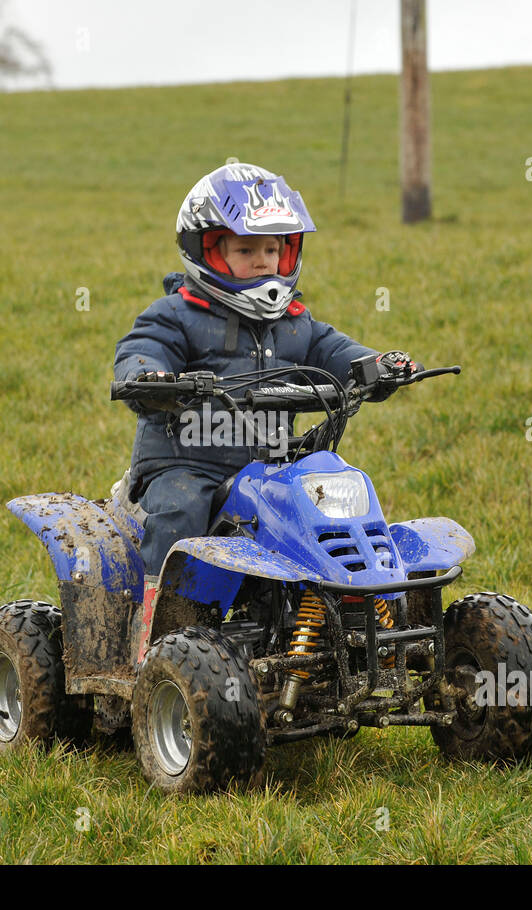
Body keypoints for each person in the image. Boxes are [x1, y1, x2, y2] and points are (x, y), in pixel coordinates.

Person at [114, 159, 420, 647]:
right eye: (246, 249)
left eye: (272, 249)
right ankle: (154, 632)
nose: (262, 261)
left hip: (269, 466)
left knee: (333, 496)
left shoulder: (296, 323)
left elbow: (334, 352)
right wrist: (150, 379)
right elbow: (141, 350)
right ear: (209, 251)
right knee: (179, 512)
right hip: (188, 462)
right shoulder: (175, 314)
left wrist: (376, 365)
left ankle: (358, 628)